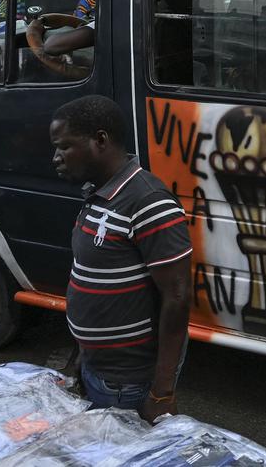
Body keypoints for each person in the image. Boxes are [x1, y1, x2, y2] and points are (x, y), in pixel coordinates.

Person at [49, 95, 192, 423]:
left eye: (64, 147)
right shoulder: (98, 196)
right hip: (97, 372)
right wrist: (83, 358)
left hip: (129, 385)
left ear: (100, 140)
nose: (56, 158)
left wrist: (162, 392)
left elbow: (178, 298)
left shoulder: (149, 201)